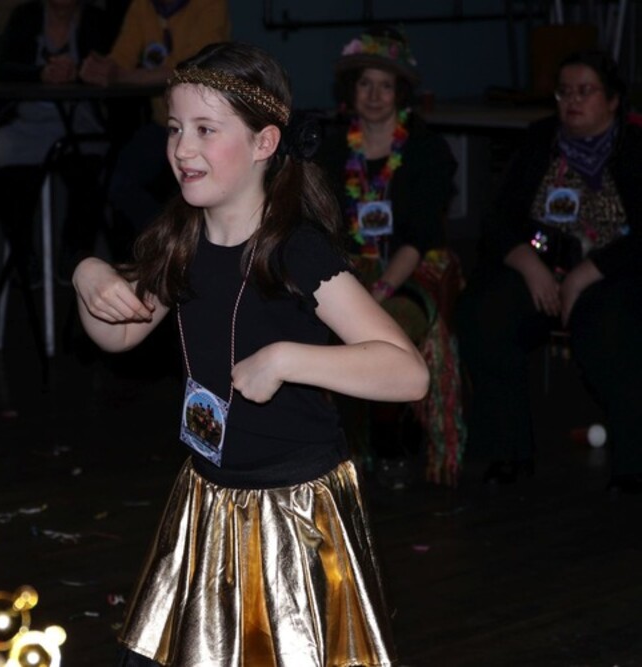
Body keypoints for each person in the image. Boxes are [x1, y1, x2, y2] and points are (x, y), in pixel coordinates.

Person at [72, 42, 429, 665]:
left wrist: (288, 359)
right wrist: (88, 274)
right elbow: (118, 334)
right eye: (175, 128)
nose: (183, 149)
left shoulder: (297, 251)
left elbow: (408, 373)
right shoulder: (181, 237)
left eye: (206, 130)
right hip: (206, 501)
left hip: (294, 510)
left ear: (265, 143)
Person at [455, 50, 642, 493]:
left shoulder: (633, 147)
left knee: (613, 326)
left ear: (613, 100)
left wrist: (586, 273)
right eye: (564, 92)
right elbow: (497, 218)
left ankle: (632, 462)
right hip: (539, 264)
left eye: (585, 91)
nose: (572, 101)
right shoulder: (541, 139)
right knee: (485, 312)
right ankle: (508, 450)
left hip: (610, 270)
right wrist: (527, 262)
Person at [315, 25, 465, 486]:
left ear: (400, 93)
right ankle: (340, 444)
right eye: (365, 84)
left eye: (385, 85)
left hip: (409, 270)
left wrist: (377, 291)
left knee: (389, 325)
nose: (375, 95)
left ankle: (388, 435)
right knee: (317, 325)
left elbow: (419, 237)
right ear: (351, 90)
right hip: (347, 268)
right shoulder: (332, 148)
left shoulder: (425, 150)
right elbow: (319, 227)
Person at [78, 0, 230, 260]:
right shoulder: (142, 6)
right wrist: (98, 67)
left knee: (205, 189)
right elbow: (121, 58)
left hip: (209, 129)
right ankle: (170, 245)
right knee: (117, 182)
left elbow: (194, 69)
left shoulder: (210, 5)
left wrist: (121, 76)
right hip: (163, 125)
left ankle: (194, 249)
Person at [0, 0, 115, 282]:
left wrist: (80, 72)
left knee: (91, 166)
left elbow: (116, 66)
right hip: (24, 121)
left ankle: (76, 256)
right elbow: (2, 68)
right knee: (2, 158)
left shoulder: (97, 20)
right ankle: (23, 256)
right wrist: (40, 74)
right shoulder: (25, 16)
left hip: (80, 119)